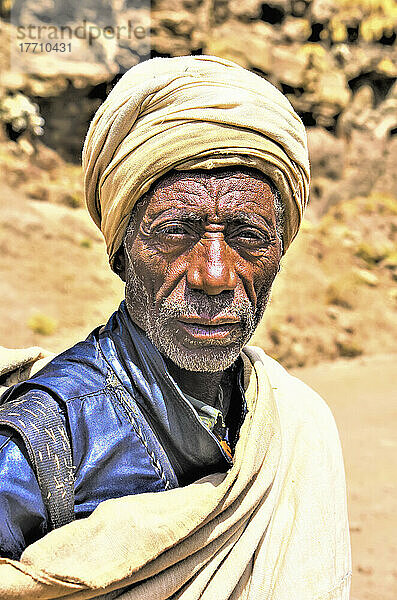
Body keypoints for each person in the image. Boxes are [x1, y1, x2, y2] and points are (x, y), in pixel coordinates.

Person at [0, 55, 351, 599]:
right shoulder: (46, 438)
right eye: (176, 233)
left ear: (281, 252)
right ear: (121, 253)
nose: (214, 273)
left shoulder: (292, 420)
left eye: (248, 237)